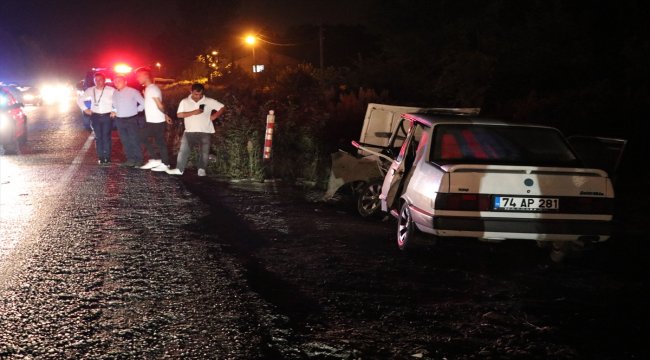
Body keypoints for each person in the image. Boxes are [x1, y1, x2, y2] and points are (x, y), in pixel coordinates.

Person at [160, 83, 225, 176]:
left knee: (204, 152)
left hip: (205, 130)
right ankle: (179, 169)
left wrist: (215, 116)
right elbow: (179, 115)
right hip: (189, 131)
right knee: (183, 151)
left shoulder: (209, 101)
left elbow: (222, 107)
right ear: (191, 91)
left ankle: (201, 169)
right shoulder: (185, 101)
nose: (198, 96)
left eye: (200, 94)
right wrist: (194, 112)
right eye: (196, 94)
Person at [135, 66, 172, 171]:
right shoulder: (149, 89)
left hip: (157, 121)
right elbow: (156, 105)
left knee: (159, 141)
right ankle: (156, 159)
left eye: (139, 76)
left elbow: (160, 105)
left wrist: (165, 114)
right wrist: (165, 115)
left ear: (145, 76)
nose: (137, 78)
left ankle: (165, 163)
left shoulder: (151, 89)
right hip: (153, 120)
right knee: (145, 137)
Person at [76, 72, 115, 165]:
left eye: (100, 80)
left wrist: (115, 110)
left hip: (107, 116)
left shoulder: (111, 90)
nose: (98, 82)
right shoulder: (90, 90)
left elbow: (118, 101)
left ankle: (108, 157)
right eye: (96, 80)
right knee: (98, 137)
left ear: (104, 80)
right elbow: (79, 100)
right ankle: (101, 157)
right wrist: (85, 109)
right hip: (95, 117)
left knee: (106, 137)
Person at [111, 75, 145, 167]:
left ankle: (139, 160)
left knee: (134, 140)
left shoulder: (133, 91)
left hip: (131, 119)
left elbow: (143, 103)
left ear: (125, 82)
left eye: (119, 81)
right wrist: (114, 111)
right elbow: (114, 105)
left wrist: (136, 110)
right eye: (115, 81)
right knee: (125, 141)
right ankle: (130, 159)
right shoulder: (115, 93)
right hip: (119, 120)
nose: (116, 83)